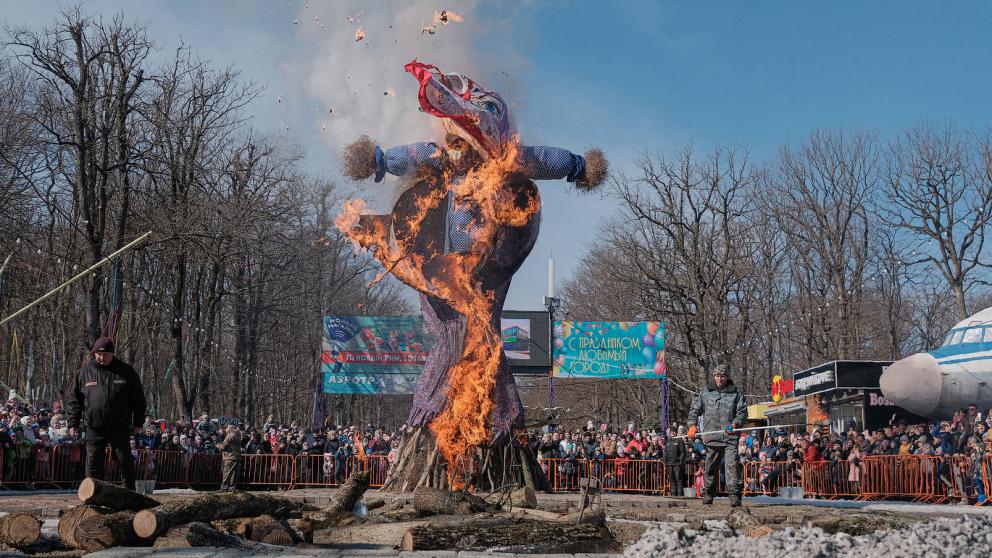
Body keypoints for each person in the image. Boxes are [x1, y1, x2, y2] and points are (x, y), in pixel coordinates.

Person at [66, 337, 146, 490]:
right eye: (99, 355)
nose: (102, 358)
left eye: (106, 355)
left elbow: (138, 400)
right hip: (94, 427)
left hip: (119, 426)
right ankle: (93, 495)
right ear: (94, 353)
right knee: (93, 464)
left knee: (125, 462)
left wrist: (138, 422)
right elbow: (74, 401)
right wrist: (72, 423)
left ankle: (129, 492)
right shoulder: (85, 373)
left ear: (112, 354)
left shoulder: (126, 372)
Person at [686, 364, 747, 506]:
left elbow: (742, 412)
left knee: (732, 467)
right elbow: (695, 409)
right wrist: (692, 425)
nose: (720, 379)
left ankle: (734, 495)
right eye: (718, 376)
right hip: (712, 437)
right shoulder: (706, 392)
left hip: (730, 437)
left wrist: (736, 423)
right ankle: (709, 493)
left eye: (723, 376)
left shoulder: (736, 393)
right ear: (714, 377)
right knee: (710, 467)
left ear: (727, 377)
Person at [217, 424, 242, 492]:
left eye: (226, 428)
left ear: (230, 428)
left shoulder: (230, 435)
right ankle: (232, 487)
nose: (225, 430)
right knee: (234, 473)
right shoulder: (238, 435)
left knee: (227, 472)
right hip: (237, 456)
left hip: (230, 456)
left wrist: (218, 445)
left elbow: (224, 446)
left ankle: (224, 487)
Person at [663, 426, 686, 496]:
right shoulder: (668, 440)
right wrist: (664, 459)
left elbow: (683, 451)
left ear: (676, 432)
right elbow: (666, 452)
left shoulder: (679, 440)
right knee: (671, 479)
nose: (672, 433)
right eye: (671, 432)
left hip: (677, 463)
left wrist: (681, 460)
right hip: (669, 463)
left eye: (674, 431)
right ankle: (673, 493)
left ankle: (679, 493)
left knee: (678, 479)